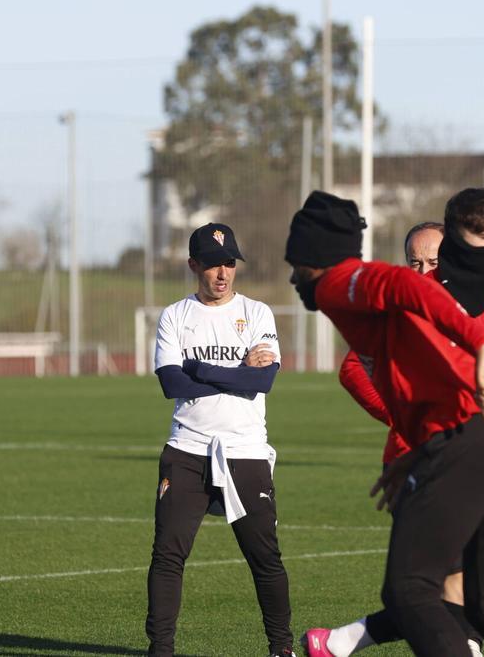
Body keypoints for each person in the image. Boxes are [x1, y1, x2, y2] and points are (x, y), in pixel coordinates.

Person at [286, 190, 484, 657]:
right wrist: (415, 451)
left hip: (475, 431)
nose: (293, 277)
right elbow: (410, 383)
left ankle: (339, 644)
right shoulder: (361, 302)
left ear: (315, 257)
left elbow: (406, 286)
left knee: (410, 591)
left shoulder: (341, 283)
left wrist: (479, 342)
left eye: (296, 262)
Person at [145, 223, 293, 657]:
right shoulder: (175, 315)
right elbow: (172, 384)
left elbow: (263, 379)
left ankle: (281, 649)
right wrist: (235, 376)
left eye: (229, 262)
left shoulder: (258, 312)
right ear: (194, 265)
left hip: (245, 451)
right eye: (212, 264)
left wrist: (200, 369)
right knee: (168, 555)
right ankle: (161, 650)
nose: (222, 272)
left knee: (265, 559)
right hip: (187, 450)